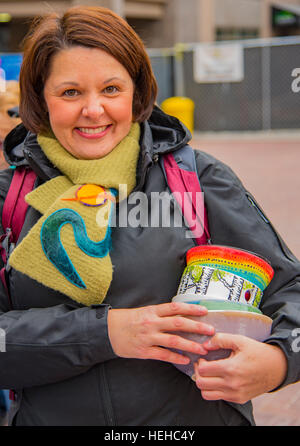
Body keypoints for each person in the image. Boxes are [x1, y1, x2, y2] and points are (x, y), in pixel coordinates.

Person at [0, 5, 299, 427]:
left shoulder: (197, 178)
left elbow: (291, 289)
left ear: (136, 93)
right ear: (39, 98)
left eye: (111, 89)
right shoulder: (9, 197)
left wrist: (277, 362)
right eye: (70, 92)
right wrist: (104, 333)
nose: (93, 110)